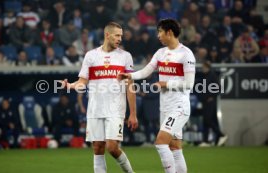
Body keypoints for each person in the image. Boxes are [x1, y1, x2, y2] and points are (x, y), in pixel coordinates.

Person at [118, 18, 195, 173]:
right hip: (165, 107)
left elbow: (189, 84)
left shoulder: (186, 54)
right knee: (175, 147)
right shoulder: (161, 53)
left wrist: (165, 84)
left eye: (160, 32)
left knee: (160, 142)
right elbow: (147, 70)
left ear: (169, 32)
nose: (158, 35)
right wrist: (130, 76)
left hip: (179, 107)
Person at [60, 22, 138, 173]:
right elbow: (82, 82)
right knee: (97, 147)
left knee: (112, 147)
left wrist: (133, 113)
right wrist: (70, 86)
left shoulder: (125, 57)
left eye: (121, 36)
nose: (120, 39)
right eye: (117, 35)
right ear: (107, 35)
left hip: (116, 109)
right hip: (95, 109)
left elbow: (130, 86)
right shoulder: (91, 56)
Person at [199, 61, 227, 147]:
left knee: (208, 119)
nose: (202, 69)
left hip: (210, 102)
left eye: (204, 67)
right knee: (205, 121)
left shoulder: (212, 75)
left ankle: (221, 135)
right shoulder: (204, 76)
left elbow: (218, 88)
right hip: (205, 101)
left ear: (208, 67)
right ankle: (205, 141)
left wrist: (211, 97)